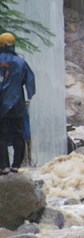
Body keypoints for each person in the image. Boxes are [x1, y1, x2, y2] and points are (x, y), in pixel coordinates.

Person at [0, 32, 36, 174]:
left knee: (1, 136)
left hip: (1, 104)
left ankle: (3, 166)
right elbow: (30, 82)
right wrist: (29, 93)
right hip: (17, 104)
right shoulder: (21, 62)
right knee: (18, 135)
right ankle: (16, 166)